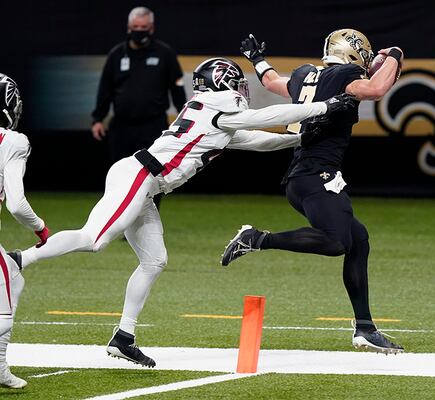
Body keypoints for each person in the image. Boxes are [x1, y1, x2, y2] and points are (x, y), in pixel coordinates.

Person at [10, 58, 354, 367]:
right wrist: (323, 107)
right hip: (141, 175)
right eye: (236, 83)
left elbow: (255, 138)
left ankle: (123, 337)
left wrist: (297, 140)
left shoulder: (213, 115)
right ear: (224, 81)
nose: (240, 90)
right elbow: (264, 116)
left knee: (154, 260)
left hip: (147, 182)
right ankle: (17, 260)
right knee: (94, 238)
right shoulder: (220, 103)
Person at [221, 30, 405, 354]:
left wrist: (256, 59)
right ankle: (257, 238)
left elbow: (272, 82)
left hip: (302, 177)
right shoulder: (346, 75)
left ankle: (365, 328)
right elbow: (377, 89)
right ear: (351, 53)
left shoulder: (307, 74)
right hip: (316, 175)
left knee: (357, 241)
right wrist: (397, 55)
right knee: (337, 242)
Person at [91, 6, 187, 209]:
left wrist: (184, 116)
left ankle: (146, 222)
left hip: (153, 125)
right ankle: (118, 219)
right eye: (135, 27)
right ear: (128, 27)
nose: (139, 30)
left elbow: (177, 88)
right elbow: (105, 88)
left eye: (143, 27)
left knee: (152, 174)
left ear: (151, 28)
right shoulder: (117, 54)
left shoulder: (164, 54)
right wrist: (98, 118)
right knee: (119, 173)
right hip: (122, 126)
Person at [0, 74, 50, 388]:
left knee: (12, 277)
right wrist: (41, 229)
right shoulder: (12, 141)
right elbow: (17, 205)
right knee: (5, 297)